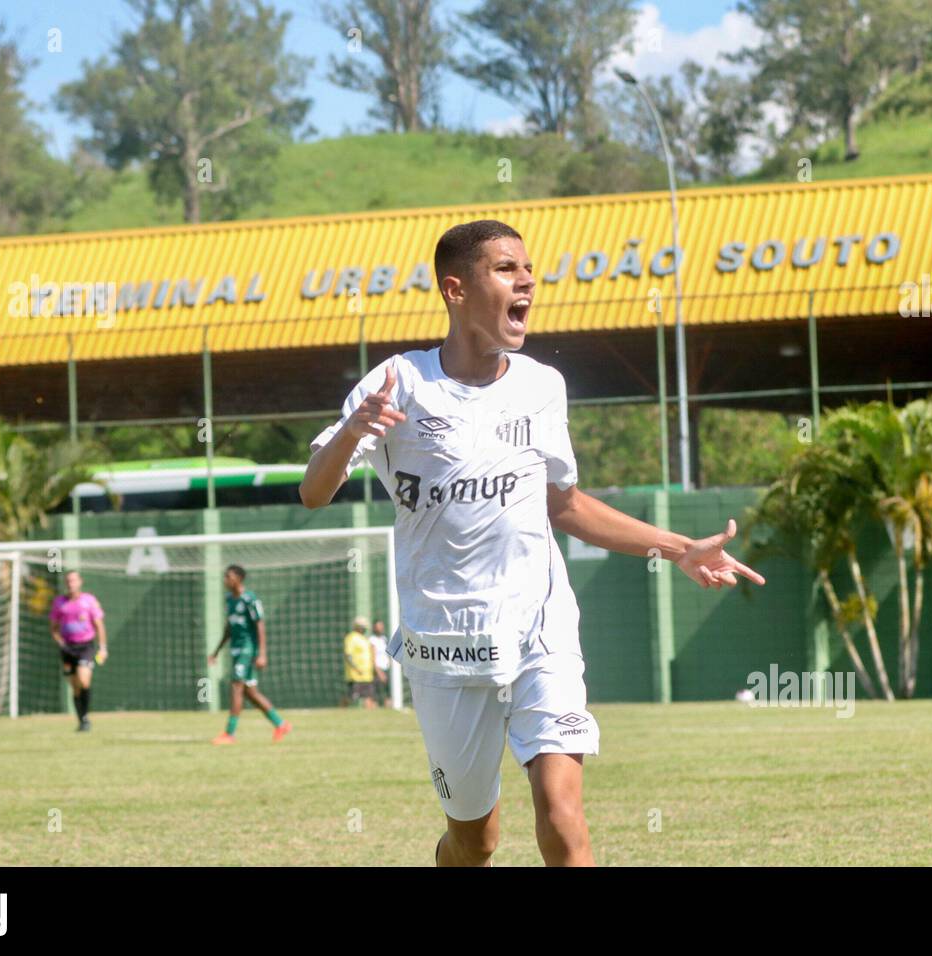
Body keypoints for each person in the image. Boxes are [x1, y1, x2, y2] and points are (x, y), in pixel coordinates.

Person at [301, 219, 765, 867]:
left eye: (528, 270)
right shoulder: (398, 383)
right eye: (506, 269)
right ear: (455, 289)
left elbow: (564, 505)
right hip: (445, 647)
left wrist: (677, 547)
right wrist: (352, 432)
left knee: (563, 811)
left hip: (539, 633)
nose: (526, 281)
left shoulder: (543, 386)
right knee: (474, 840)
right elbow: (314, 492)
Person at [207, 565, 291, 744]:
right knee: (250, 692)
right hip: (236, 650)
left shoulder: (250, 599)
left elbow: (260, 626)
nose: (225, 580)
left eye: (228, 577)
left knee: (236, 686)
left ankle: (229, 734)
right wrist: (216, 651)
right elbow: (229, 628)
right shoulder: (229, 600)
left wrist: (262, 654)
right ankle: (280, 724)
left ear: (238, 578)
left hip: (248, 649)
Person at [50, 571, 107, 732]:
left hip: (85, 646)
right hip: (68, 648)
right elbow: (54, 629)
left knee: (84, 680)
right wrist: (61, 643)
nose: (70, 583)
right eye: (68, 580)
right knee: (75, 687)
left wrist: (103, 648)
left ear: (80, 582)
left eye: (73, 580)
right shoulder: (59, 603)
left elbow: (99, 625)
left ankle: (86, 717)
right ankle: (82, 720)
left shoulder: (89, 601)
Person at [343, 616, 376, 709]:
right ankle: (341, 710)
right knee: (351, 698)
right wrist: (356, 668)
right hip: (355, 675)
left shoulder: (364, 639)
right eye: (363, 626)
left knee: (369, 697)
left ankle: (370, 719)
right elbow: (348, 655)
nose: (365, 629)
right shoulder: (351, 637)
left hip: (367, 675)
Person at [370, 619, 391, 707]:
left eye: (381, 626)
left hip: (386, 669)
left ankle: (389, 711)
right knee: (376, 693)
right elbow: (372, 657)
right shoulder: (372, 640)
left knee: (388, 692)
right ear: (374, 628)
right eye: (378, 626)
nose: (380, 628)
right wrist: (379, 672)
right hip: (377, 670)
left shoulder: (384, 639)